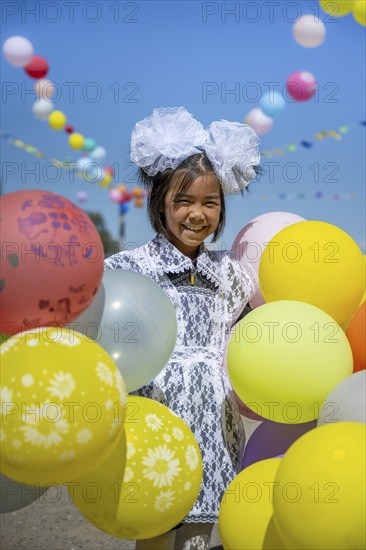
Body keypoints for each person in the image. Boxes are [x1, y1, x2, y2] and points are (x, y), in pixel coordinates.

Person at [105, 106, 260, 550]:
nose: (197, 214)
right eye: (183, 201)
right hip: (152, 418)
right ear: (159, 204)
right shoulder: (126, 270)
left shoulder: (233, 277)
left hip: (215, 423)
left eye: (210, 203)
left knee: (199, 537)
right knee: (152, 532)